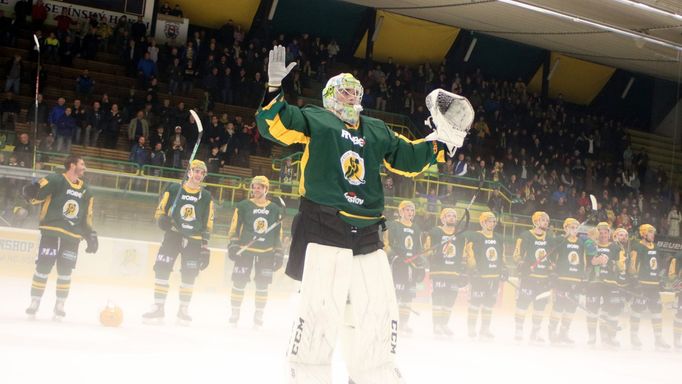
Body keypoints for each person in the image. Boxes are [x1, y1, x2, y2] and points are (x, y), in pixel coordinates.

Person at [255, 45, 455, 383]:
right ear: (330, 95)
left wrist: (442, 145)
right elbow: (274, 125)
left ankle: (373, 374)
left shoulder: (377, 129)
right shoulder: (315, 117)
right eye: (344, 90)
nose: (351, 95)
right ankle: (307, 374)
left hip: (367, 235)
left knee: (378, 309)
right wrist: (274, 89)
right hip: (324, 225)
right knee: (320, 310)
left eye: (356, 91)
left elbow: (406, 157)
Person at [22, 155, 98, 319]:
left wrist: (89, 232)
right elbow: (36, 196)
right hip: (51, 230)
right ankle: (35, 302)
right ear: (72, 165)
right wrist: (30, 193)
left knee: (65, 270)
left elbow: (87, 214)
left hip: (72, 235)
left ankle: (60, 304)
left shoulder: (87, 190)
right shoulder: (56, 180)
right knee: (43, 266)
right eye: (82, 164)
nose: (84, 167)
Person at [142, 160, 214, 324]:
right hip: (173, 235)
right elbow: (160, 210)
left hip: (194, 240)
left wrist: (205, 244)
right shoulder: (174, 189)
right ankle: (158, 307)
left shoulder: (207, 196)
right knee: (162, 267)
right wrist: (162, 220)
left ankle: (183, 309)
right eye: (196, 171)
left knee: (189, 274)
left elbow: (208, 222)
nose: (198, 175)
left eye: (202, 173)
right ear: (189, 172)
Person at [227, 176, 283, 327]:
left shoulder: (274, 209)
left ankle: (258, 314)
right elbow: (235, 227)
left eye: (260, 187)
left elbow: (278, 233)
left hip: (266, 252)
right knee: (239, 281)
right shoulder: (243, 205)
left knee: (262, 285)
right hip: (245, 250)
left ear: (266, 189)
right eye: (255, 186)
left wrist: (279, 251)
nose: (256, 189)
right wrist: (233, 243)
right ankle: (235, 312)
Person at [512, 211, 553, 343]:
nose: (545, 222)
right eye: (542, 220)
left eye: (547, 220)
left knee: (540, 308)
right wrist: (521, 264)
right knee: (522, 304)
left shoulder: (550, 238)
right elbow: (516, 255)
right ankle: (518, 330)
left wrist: (553, 267)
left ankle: (535, 332)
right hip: (528, 278)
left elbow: (553, 258)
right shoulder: (525, 235)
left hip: (544, 280)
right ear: (535, 221)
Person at [464, 211, 505, 340]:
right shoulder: (475, 236)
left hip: (493, 277)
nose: (492, 224)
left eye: (493, 221)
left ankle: (485, 329)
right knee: (475, 304)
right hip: (479, 277)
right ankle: (471, 329)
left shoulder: (498, 237)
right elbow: (470, 254)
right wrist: (472, 269)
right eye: (489, 221)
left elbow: (501, 255)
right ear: (482, 222)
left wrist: (504, 268)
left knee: (489, 304)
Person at [628, 224, 670, 349]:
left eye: (653, 232)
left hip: (654, 286)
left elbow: (656, 265)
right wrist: (635, 281)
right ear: (643, 233)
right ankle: (633, 335)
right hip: (642, 285)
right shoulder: (638, 247)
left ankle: (658, 338)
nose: (653, 234)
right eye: (650, 232)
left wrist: (660, 280)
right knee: (637, 310)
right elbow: (632, 265)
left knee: (657, 311)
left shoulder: (656, 248)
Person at [385, 200, 424, 334]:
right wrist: (395, 257)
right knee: (395, 294)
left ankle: (404, 324)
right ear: (401, 211)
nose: (410, 212)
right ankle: (391, 323)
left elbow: (419, 249)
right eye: (407, 210)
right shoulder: (393, 225)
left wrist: (420, 264)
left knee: (408, 295)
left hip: (411, 266)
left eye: (412, 210)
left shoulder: (416, 228)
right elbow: (387, 244)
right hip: (397, 265)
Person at [425, 207, 465, 336]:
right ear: (443, 218)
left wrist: (463, 270)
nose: (452, 217)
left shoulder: (460, 234)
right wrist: (434, 255)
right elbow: (427, 250)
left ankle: (444, 324)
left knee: (450, 299)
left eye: (454, 216)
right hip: (439, 271)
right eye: (449, 215)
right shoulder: (435, 232)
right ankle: (436, 325)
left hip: (454, 272)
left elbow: (463, 254)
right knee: (439, 298)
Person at [547, 218, 587, 345]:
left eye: (576, 227)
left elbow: (583, 261)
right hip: (562, 279)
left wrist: (583, 277)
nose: (574, 230)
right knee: (558, 306)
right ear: (565, 228)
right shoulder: (559, 240)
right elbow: (551, 257)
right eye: (571, 227)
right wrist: (552, 271)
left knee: (571, 308)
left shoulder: (581, 242)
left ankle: (564, 333)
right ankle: (552, 331)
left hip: (575, 280)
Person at [667, 251, 682, 349]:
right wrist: (678, 284)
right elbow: (672, 275)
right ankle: (677, 339)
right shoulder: (678, 257)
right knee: (680, 316)